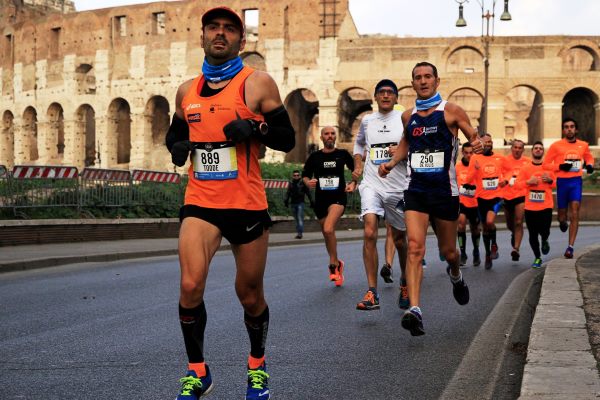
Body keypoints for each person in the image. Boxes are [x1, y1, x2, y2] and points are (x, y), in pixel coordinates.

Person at [165, 7, 295, 400]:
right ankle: (197, 370)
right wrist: (177, 148)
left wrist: (255, 127)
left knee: (249, 293)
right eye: (213, 28)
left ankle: (257, 365)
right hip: (201, 201)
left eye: (229, 29)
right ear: (202, 36)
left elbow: (286, 138)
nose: (220, 34)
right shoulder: (186, 90)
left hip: (246, 203)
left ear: (241, 39)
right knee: (190, 286)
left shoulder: (257, 84)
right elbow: (173, 135)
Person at [379, 62, 483, 336]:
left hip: (444, 192)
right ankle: (415, 309)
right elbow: (405, 144)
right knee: (415, 248)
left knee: (450, 253)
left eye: (427, 77)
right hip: (416, 191)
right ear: (412, 83)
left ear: (437, 81)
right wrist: (391, 163)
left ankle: (456, 275)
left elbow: (474, 136)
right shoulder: (408, 116)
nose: (423, 81)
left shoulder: (451, 111)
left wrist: (481, 142)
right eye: (418, 78)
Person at [352, 79, 409, 311]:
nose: (385, 96)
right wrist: (357, 164)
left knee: (399, 240)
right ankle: (372, 292)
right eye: (381, 92)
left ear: (396, 98)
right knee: (369, 231)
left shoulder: (404, 119)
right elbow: (358, 146)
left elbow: (415, 147)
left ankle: (405, 282)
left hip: (397, 186)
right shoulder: (367, 121)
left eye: (390, 93)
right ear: (375, 97)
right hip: (371, 184)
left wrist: (402, 151)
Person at [302, 126, 356, 286]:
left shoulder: (342, 155)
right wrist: (308, 181)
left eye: (333, 133)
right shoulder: (315, 157)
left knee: (327, 228)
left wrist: (353, 183)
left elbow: (355, 170)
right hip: (321, 199)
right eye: (327, 134)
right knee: (327, 233)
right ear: (321, 137)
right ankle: (338, 263)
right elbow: (305, 175)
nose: (330, 136)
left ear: (336, 137)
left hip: (338, 197)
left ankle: (333, 264)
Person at [543, 118, 594, 259]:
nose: (569, 129)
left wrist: (589, 165)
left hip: (576, 182)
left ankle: (570, 247)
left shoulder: (583, 145)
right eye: (566, 127)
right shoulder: (556, 146)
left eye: (572, 127)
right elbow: (545, 165)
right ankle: (562, 222)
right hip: (562, 182)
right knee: (562, 216)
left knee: (575, 211)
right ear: (563, 130)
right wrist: (559, 167)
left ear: (576, 130)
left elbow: (589, 158)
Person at [465, 133, 507, 269]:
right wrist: (475, 170)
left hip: (496, 196)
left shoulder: (500, 158)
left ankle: (494, 245)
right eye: (485, 142)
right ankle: (488, 254)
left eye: (490, 142)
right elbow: (469, 180)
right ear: (480, 144)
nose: (488, 144)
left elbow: (510, 171)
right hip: (481, 198)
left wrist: (505, 180)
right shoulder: (475, 158)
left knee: (490, 222)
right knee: (485, 228)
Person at [516, 141, 555, 268]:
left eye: (540, 148)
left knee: (545, 230)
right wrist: (528, 182)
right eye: (536, 148)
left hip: (546, 205)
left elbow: (555, 184)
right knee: (532, 234)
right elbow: (517, 185)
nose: (538, 150)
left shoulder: (549, 167)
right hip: (530, 207)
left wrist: (550, 180)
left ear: (543, 152)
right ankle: (537, 257)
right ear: (532, 151)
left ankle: (545, 239)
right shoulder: (525, 168)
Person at [502, 139, 530, 262]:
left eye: (520, 148)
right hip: (507, 196)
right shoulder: (504, 161)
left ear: (523, 150)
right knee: (510, 224)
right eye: (515, 147)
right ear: (511, 148)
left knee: (519, 221)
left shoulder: (528, 162)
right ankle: (514, 233)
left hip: (521, 195)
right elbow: (499, 175)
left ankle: (516, 249)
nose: (517, 150)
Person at [455, 142, 481, 266]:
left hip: (475, 202)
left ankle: (476, 251)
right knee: (461, 225)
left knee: (475, 228)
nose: (469, 155)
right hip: (462, 202)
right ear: (462, 153)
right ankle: (463, 253)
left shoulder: (478, 165)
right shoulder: (457, 167)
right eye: (466, 153)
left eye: (471, 153)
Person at [284, 169, 314, 239]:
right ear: (293, 176)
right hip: (293, 204)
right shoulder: (291, 183)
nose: (296, 176)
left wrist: (311, 201)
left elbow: (308, 193)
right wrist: (286, 201)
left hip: (300, 203)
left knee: (300, 218)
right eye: (295, 175)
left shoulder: (302, 183)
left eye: (298, 175)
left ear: (300, 176)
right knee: (297, 219)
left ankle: (300, 234)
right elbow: (288, 193)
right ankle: (299, 233)